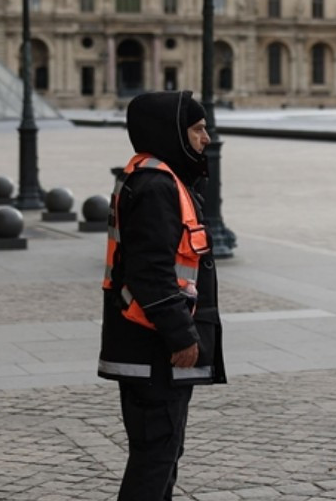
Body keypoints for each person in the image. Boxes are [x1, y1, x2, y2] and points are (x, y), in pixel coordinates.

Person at [99, 90, 227, 501]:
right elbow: (150, 272)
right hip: (155, 348)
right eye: (197, 128)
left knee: (161, 454)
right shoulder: (157, 187)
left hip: (147, 345)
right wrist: (182, 335)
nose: (206, 138)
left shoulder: (154, 178)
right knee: (155, 458)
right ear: (171, 131)